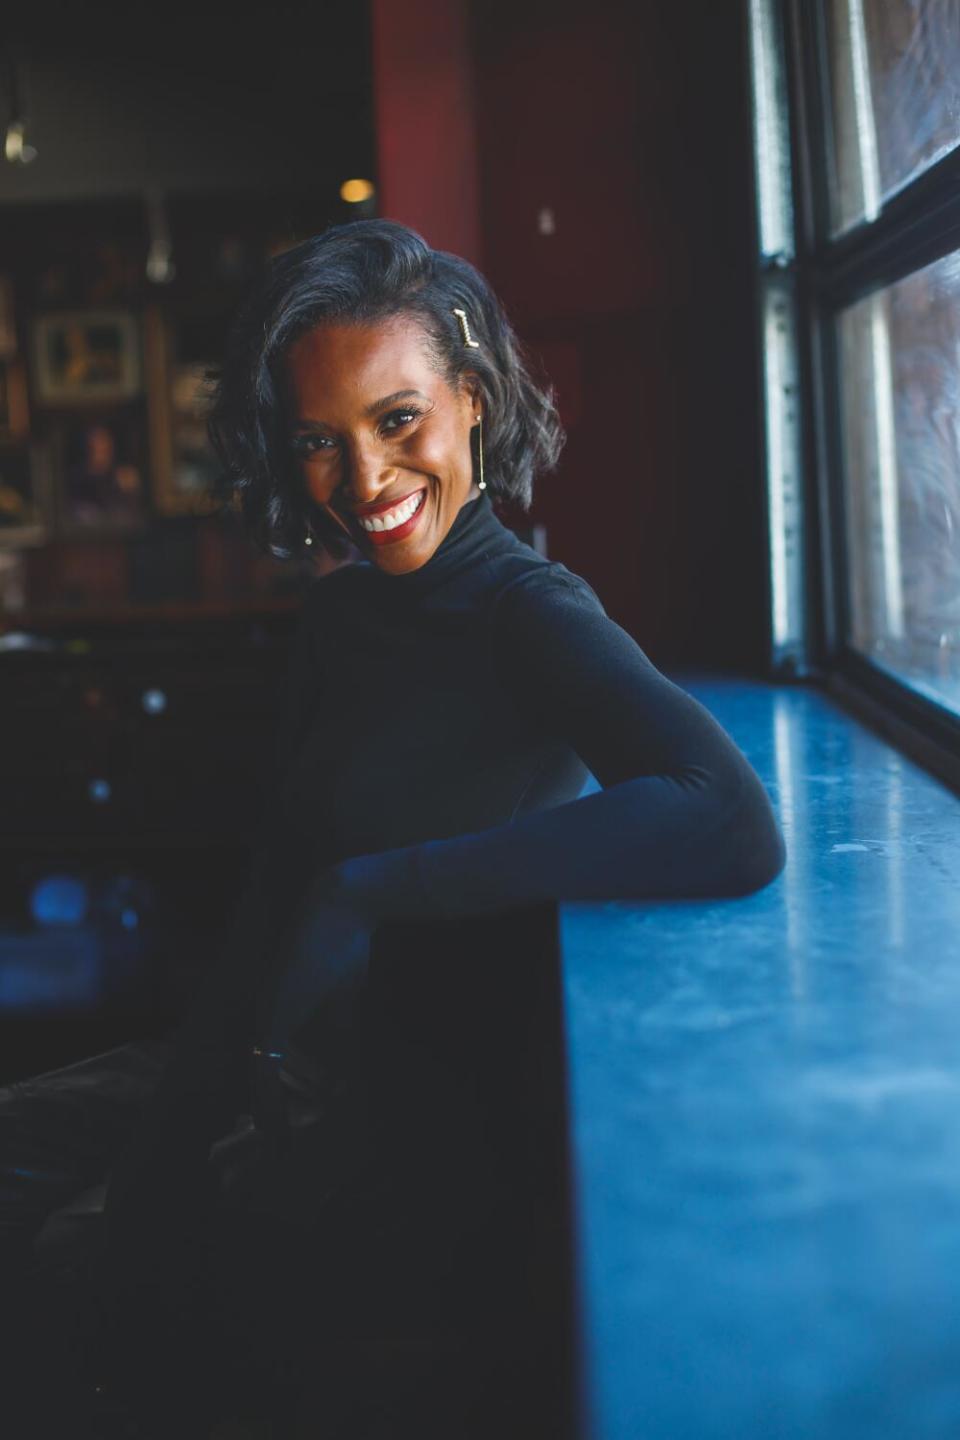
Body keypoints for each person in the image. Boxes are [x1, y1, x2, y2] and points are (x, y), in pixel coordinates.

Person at [32, 217, 787, 1433]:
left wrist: (380, 886)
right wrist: (175, 1129)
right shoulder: (340, 622)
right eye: (320, 444)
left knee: (69, 1279)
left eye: (398, 422)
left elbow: (730, 818)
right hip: (264, 1057)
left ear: (473, 401)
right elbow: (277, 887)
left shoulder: (527, 609)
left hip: (396, 1119)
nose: (367, 482)